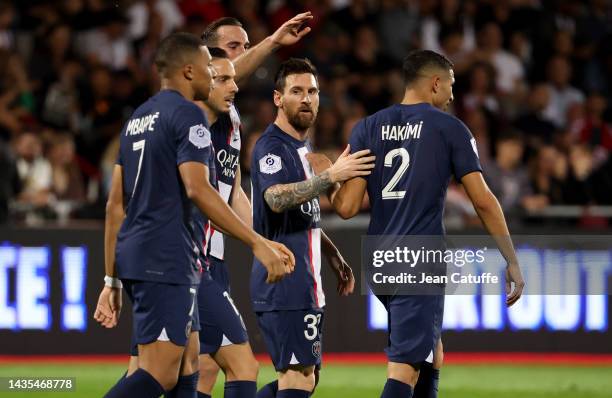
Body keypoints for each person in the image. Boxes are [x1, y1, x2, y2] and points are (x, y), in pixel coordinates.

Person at [308, 50, 525, 398]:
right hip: (418, 261)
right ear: (435, 83)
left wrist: (329, 178)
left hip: (379, 259)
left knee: (432, 353)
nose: (453, 95)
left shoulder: (369, 126)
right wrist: (511, 259)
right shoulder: (450, 129)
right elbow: (482, 200)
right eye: (451, 85)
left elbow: (346, 207)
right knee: (405, 370)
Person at [93, 32, 294, 398]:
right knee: (158, 374)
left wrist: (112, 280)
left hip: (139, 255)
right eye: (209, 70)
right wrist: (257, 243)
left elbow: (113, 207)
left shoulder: (138, 119)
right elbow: (199, 189)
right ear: (189, 71)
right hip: (168, 255)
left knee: (188, 368)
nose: (216, 77)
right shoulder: (189, 116)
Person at [250, 58, 374, 398]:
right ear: (278, 98)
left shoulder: (305, 150)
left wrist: (332, 254)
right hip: (284, 281)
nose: (307, 99)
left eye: (313, 91)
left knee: (307, 377)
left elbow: (309, 212)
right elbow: (275, 200)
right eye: (297, 91)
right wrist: (331, 176)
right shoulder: (271, 147)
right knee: (298, 379)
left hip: (305, 280)